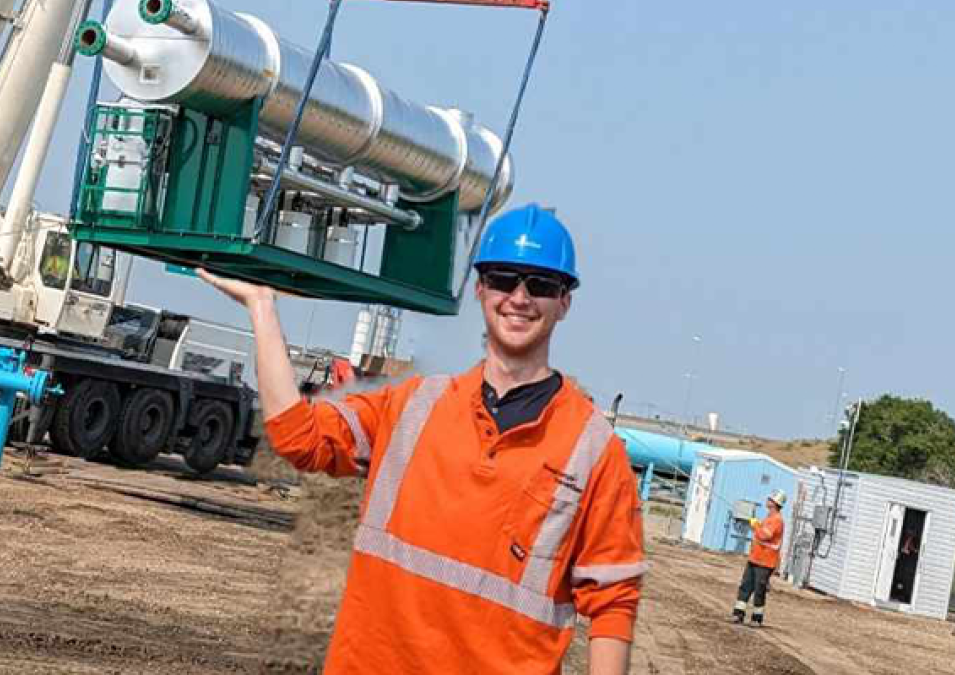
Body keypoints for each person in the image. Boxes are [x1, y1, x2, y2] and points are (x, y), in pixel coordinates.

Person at [201, 203, 646, 675]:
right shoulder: (412, 408)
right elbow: (297, 437)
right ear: (480, 289)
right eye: (503, 279)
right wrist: (262, 309)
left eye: (540, 285)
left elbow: (612, 604)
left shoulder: (595, 450)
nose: (519, 297)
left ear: (564, 302)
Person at [733, 489, 787, 626]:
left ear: (775, 503)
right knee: (745, 586)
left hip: (765, 562)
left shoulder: (777, 520)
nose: (767, 500)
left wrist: (755, 525)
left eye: (770, 499)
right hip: (755, 558)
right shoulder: (769, 518)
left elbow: (765, 535)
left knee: (759, 589)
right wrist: (757, 524)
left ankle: (757, 619)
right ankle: (738, 614)